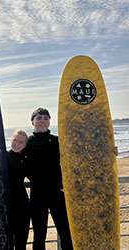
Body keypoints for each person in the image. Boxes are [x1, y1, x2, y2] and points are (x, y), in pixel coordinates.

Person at [25, 107, 118, 250]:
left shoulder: (57, 141)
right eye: (39, 118)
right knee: (39, 235)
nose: (42, 121)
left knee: (65, 232)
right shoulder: (28, 142)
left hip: (58, 192)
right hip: (38, 195)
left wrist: (108, 150)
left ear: (49, 122)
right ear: (32, 122)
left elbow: (81, 150)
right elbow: (14, 154)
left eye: (45, 118)